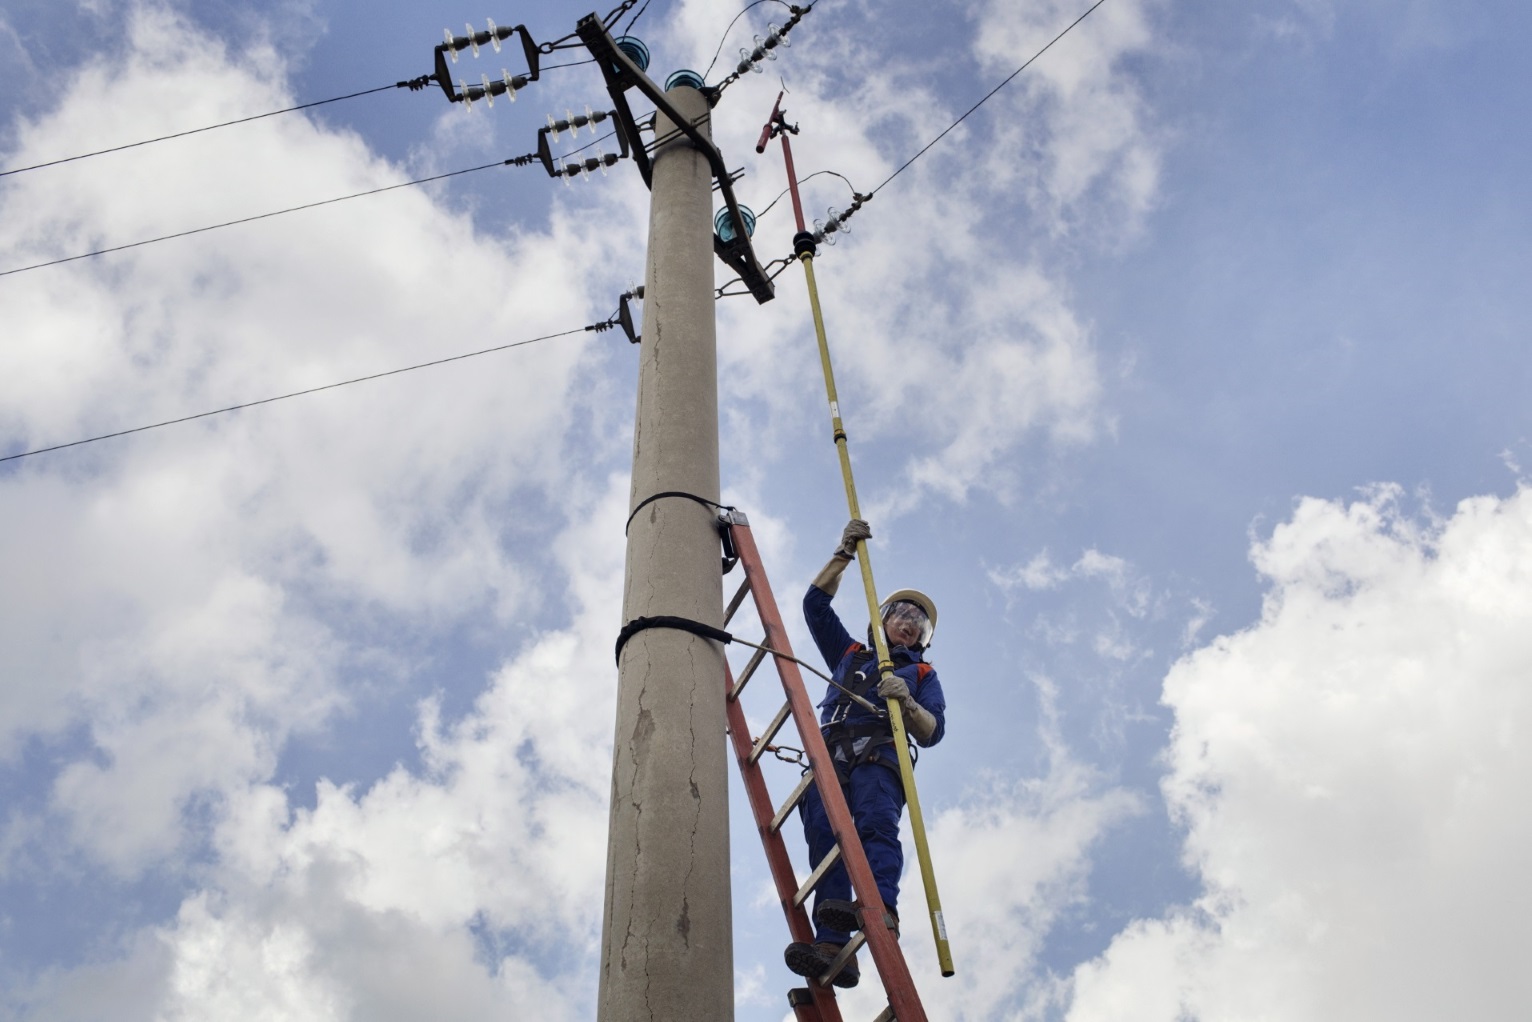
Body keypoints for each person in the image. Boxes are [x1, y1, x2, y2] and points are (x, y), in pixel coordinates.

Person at [784, 518, 946, 988]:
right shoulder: (851, 653)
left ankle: (880, 909)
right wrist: (844, 553)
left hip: (879, 756)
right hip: (831, 751)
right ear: (884, 617)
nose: (910, 625)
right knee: (823, 835)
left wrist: (908, 702)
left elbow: (933, 731)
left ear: (923, 636)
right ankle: (833, 942)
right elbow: (815, 605)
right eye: (903, 615)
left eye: (919, 623)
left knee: (874, 827)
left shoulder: (923, 674)